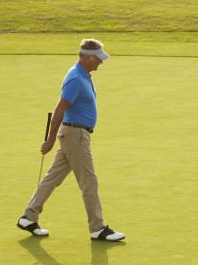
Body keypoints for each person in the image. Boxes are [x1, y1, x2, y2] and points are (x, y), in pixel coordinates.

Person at [17, 38, 125, 241]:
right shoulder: (76, 79)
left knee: (53, 177)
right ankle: (97, 228)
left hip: (74, 135)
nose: (101, 62)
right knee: (89, 182)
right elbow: (59, 110)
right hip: (75, 136)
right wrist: (49, 141)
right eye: (98, 59)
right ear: (87, 58)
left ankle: (29, 217)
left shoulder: (84, 74)